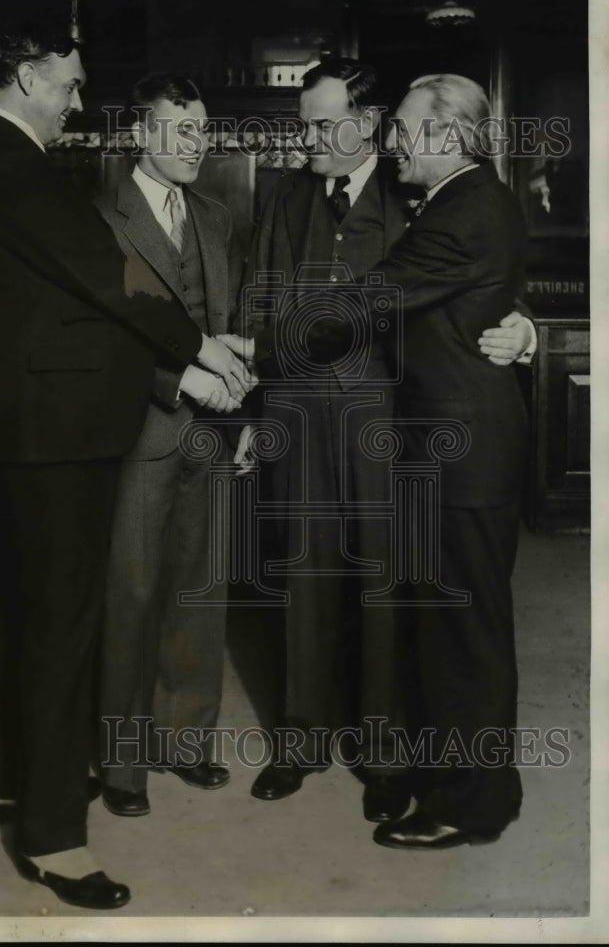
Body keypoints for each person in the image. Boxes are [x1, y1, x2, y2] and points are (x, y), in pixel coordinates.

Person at [0, 24, 250, 910]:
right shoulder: (12, 162)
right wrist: (197, 352)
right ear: (26, 75)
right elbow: (106, 279)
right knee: (63, 629)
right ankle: (53, 841)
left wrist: (198, 363)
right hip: (52, 436)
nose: (78, 103)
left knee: (35, 618)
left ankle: (15, 784)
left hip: (38, 427)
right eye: (68, 85)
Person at [223, 72, 528, 848]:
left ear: (446, 134)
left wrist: (256, 351)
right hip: (410, 439)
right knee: (445, 627)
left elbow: (375, 299)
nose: (394, 142)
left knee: (458, 630)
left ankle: (461, 799)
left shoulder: (456, 207)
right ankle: (446, 783)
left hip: (434, 443)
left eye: (400, 128)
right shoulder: (462, 199)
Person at [95, 74, 241, 816]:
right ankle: (120, 768)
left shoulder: (214, 217)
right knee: (130, 595)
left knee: (197, 589)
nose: (197, 144)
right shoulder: (98, 216)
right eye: (180, 131)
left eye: (201, 129)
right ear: (138, 136)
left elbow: (230, 324)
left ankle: (184, 742)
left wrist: (242, 418)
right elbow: (100, 338)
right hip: (140, 433)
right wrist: (177, 378)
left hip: (210, 437)